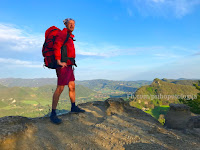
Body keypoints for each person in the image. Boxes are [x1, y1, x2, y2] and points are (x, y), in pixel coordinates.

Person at [50, 18, 85, 124]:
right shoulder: (63, 34)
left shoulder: (69, 36)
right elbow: (56, 46)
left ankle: (73, 107)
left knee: (72, 86)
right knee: (60, 88)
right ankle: (53, 113)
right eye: (70, 24)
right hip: (63, 66)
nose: (72, 25)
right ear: (65, 24)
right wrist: (59, 61)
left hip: (69, 65)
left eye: (73, 24)